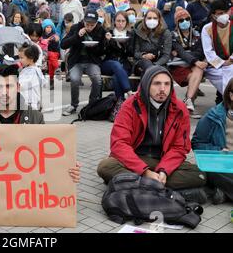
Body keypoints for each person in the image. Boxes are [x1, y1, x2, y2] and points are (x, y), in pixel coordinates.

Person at [97, 66, 208, 204]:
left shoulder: (180, 110)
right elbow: (119, 144)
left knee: (199, 175)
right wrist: (145, 172)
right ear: (147, 84)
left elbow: (180, 147)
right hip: (135, 158)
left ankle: (132, 185)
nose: (162, 89)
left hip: (162, 159)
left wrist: (164, 171)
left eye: (167, 84)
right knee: (105, 167)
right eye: (157, 83)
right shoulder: (130, 105)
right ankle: (168, 191)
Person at [192, 79, 233, 204]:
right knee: (217, 173)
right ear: (231, 95)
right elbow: (196, 143)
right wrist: (219, 151)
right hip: (221, 163)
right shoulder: (213, 116)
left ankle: (221, 192)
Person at [61, 10, 105, 116]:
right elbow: (63, 44)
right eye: (87, 24)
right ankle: (73, 105)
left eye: (92, 24)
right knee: (75, 80)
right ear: (83, 21)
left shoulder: (100, 30)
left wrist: (95, 46)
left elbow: (103, 51)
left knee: (97, 80)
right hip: (76, 61)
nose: (89, 26)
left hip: (92, 61)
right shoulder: (75, 28)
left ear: (96, 23)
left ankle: (92, 104)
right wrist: (77, 36)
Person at [169, 7, 206, 116]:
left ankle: (188, 100)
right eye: (181, 20)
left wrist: (186, 55)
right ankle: (188, 102)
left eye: (187, 19)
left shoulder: (197, 34)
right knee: (196, 76)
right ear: (177, 23)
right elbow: (181, 52)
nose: (184, 22)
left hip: (192, 64)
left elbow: (200, 52)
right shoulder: (173, 35)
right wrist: (192, 58)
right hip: (178, 66)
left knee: (198, 71)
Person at [104, 11, 135, 120]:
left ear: (126, 22)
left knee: (117, 77)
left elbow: (131, 53)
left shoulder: (130, 34)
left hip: (124, 64)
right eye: (118, 21)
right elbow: (104, 51)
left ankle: (119, 104)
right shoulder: (109, 32)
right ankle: (129, 92)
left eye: (123, 21)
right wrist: (108, 41)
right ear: (114, 22)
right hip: (109, 63)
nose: (120, 23)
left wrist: (124, 43)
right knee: (116, 65)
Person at [201, 0, 233, 95]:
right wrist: (223, 63)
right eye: (220, 13)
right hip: (216, 66)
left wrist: (230, 60)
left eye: (225, 12)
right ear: (213, 15)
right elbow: (208, 52)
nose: (223, 15)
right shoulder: (207, 29)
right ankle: (226, 99)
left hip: (231, 62)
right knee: (220, 75)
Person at [133, 8, 172, 76]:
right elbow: (136, 53)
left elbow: (166, 55)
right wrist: (144, 56)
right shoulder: (139, 30)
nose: (152, 20)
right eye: (149, 18)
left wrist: (155, 65)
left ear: (159, 19)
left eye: (155, 18)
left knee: (156, 72)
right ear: (145, 19)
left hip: (160, 63)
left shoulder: (166, 33)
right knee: (148, 67)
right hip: (141, 63)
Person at [19, 43, 45, 110]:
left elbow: (21, 85)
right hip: (31, 102)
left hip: (30, 103)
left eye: (22, 58)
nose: (20, 60)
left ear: (31, 58)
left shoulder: (32, 72)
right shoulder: (35, 69)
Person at [40, 19, 60, 90]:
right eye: (47, 27)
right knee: (51, 65)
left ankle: (57, 69)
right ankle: (52, 79)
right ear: (44, 28)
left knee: (51, 55)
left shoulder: (54, 36)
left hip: (54, 52)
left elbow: (55, 48)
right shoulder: (41, 36)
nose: (49, 29)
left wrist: (51, 41)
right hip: (44, 53)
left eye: (50, 27)